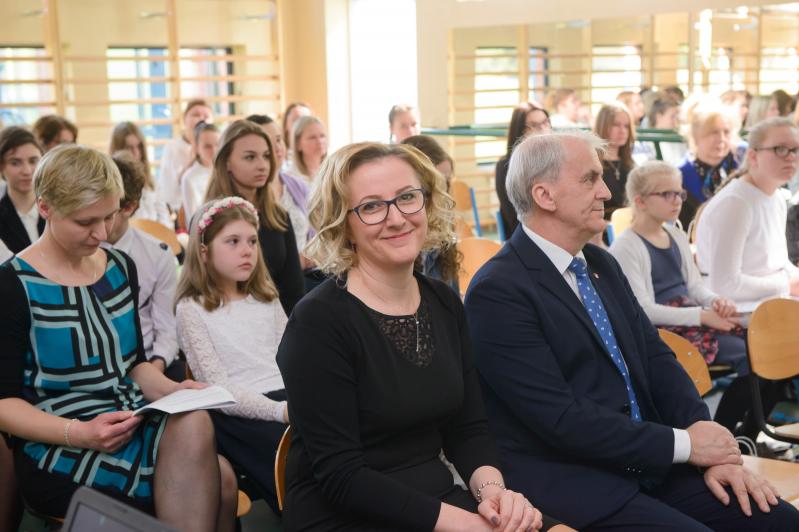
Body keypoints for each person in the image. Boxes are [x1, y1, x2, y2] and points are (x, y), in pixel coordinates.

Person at [464, 130, 799, 530]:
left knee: (780, 522)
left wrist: (705, 437)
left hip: (648, 461)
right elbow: (561, 419)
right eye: (590, 179)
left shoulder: (600, 264)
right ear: (544, 196)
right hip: (580, 480)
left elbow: (655, 357)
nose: (606, 192)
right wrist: (686, 445)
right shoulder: (499, 291)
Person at [276, 141, 555, 531]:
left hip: (436, 501)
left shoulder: (444, 302)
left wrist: (493, 494)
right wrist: (467, 525)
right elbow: (342, 476)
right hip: (347, 514)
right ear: (343, 224)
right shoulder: (317, 322)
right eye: (371, 206)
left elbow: (468, 429)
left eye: (407, 197)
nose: (396, 218)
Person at [0, 145, 237, 531]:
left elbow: (134, 365)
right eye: (85, 222)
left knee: (196, 421)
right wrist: (80, 433)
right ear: (45, 208)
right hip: (59, 440)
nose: (102, 233)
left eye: (109, 216)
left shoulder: (119, 266)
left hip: (127, 419)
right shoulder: (12, 285)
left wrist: (174, 391)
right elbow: (3, 402)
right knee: (219, 478)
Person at [608, 161, 759, 439]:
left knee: (761, 346)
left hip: (691, 316)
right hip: (666, 331)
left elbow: (695, 287)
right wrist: (702, 316)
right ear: (640, 201)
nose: (677, 200)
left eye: (679, 193)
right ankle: (723, 435)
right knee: (749, 357)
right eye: (666, 194)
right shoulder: (627, 246)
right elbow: (644, 311)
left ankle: (746, 434)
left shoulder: (675, 234)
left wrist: (716, 301)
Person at [176, 196, 289, 513]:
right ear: (204, 252)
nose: (247, 250)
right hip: (239, 411)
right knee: (298, 453)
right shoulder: (191, 309)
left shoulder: (266, 298)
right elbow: (218, 388)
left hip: (288, 396)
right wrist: (280, 411)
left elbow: (292, 359)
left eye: (252, 241)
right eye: (233, 241)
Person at [696, 117, 799, 306]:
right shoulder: (735, 203)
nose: (791, 157)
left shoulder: (776, 197)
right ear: (753, 156)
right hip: (740, 312)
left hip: (771, 304)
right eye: (780, 149)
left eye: (795, 150)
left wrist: (792, 279)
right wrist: (785, 284)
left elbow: (779, 265)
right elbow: (724, 285)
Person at [205, 120, 304, 315]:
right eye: (250, 157)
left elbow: (294, 289)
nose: (262, 165)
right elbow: (204, 288)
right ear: (227, 162)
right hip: (226, 319)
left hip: (280, 319)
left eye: (266, 156)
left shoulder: (278, 215)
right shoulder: (211, 218)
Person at [103, 151, 181, 380]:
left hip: (147, 361)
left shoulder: (158, 255)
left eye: (107, 213)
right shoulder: (80, 250)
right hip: (98, 369)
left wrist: (154, 370)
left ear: (129, 207)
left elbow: (167, 329)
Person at [246, 114, 311, 265]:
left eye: (278, 139)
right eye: (268, 141)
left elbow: (313, 235)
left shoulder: (298, 185)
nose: (277, 147)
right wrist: (299, 262)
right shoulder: (249, 193)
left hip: (308, 271)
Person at [401, 134, 461, 291]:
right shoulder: (399, 245)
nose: (444, 196)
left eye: (446, 183)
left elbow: (451, 298)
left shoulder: (444, 237)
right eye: (435, 186)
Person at [496, 102, 551, 235]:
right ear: (520, 131)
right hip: (525, 236)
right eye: (534, 125)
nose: (543, 129)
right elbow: (515, 220)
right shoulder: (505, 166)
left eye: (545, 122)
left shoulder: (556, 160)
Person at [678, 107, 739, 228]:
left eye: (726, 132)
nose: (721, 139)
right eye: (714, 132)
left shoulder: (741, 168)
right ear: (695, 137)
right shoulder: (680, 175)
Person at [109, 121, 172, 228]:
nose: (136, 153)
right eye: (129, 148)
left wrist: (163, 234)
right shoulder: (112, 184)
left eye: (139, 147)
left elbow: (164, 216)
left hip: (156, 233)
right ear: (118, 150)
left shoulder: (151, 180)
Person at [159, 99, 213, 212]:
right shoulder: (172, 148)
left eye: (206, 116)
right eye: (196, 115)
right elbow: (169, 189)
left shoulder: (215, 146)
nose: (201, 119)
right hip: (181, 209)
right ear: (184, 119)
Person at [0, 127, 44, 254]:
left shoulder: (59, 210)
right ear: (1, 167)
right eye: (15, 163)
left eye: (33, 161)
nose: (27, 171)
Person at [594, 102, 635, 219]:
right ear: (603, 125)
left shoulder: (631, 164)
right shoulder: (591, 163)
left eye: (626, 126)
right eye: (616, 125)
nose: (622, 131)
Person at [180, 121, 220, 222]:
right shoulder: (189, 178)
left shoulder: (226, 171)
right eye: (207, 146)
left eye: (217, 145)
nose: (214, 151)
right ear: (196, 148)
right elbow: (193, 219)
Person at [646, 94, 688, 165]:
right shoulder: (646, 142)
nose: (676, 121)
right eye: (673, 116)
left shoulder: (679, 138)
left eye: (677, 117)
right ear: (659, 117)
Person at [288, 115, 328, 182]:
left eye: (322, 136)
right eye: (312, 137)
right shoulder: (291, 177)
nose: (319, 141)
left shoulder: (332, 170)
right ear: (298, 144)